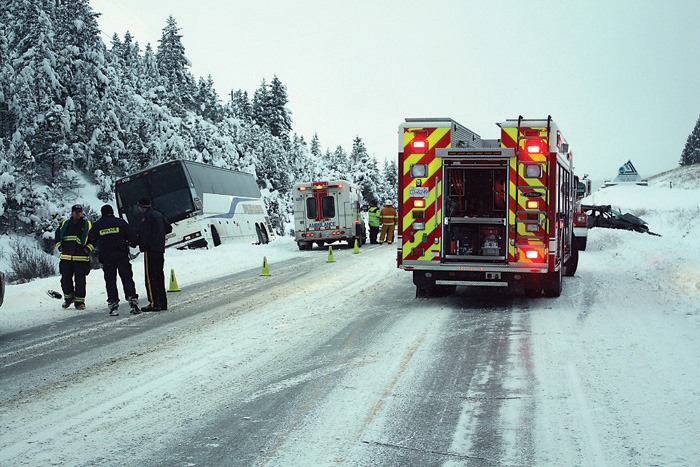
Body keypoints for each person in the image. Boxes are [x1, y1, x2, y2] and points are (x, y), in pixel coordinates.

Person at [89, 204, 141, 316]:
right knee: (127, 279)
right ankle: (133, 302)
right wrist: (133, 243)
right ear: (112, 212)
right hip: (121, 255)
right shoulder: (120, 223)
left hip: (106, 257)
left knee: (110, 281)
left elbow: (91, 240)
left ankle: (113, 305)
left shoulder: (97, 225)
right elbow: (132, 237)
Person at [54, 204, 94, 310]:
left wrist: (88, 249)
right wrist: (60, 247)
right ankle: (69, 299)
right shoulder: (65, 224)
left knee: (80, 280)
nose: (78, 214)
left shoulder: (87, 225)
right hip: (66, 258)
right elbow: (57, 237)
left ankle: (79, 302)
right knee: (65, 280)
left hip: (81, 259)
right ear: (72, 212)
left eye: (80, 212)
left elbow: (93, 239)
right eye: (76, 212)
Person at [137, 197, 172, 312]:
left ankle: (153, 303)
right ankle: (163, 302)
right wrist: (159, 235)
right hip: (160, 249)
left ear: (141, 207)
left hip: (150, 249)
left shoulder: (146, 217)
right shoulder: (158, 215)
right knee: (159, 275)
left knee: (150, 276)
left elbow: (144, 234)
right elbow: (168, 228)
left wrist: (142, 245)